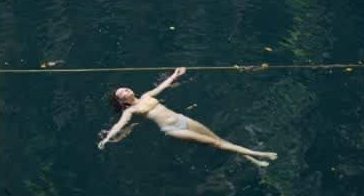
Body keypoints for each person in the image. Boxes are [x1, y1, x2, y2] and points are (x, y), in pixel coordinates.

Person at [97, 67, 278, 167]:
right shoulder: (129, 111)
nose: (126, 90)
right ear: (123, 102)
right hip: (173, 130)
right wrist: (108, 137)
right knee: (217, 144)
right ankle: (260, 154)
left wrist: (175, 75)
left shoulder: (146, 96)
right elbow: (120, 125)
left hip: (182, 119)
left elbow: (163, 86)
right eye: (122, 93)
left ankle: (253, 160)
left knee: (219, 139)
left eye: (126, 88)